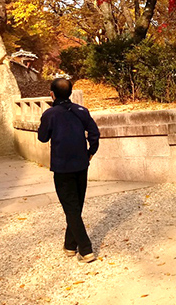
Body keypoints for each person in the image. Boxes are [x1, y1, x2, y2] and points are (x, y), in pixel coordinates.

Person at [38, 78, 100, 263]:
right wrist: (90, 152)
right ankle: (70, 245)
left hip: (62, 167)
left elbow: (42, 138)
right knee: (75, 206)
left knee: (71, 208)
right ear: (70, 93)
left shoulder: (50, 114)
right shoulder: (82, 111)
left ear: (52, 94)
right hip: (81, 165)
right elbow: (94, 134)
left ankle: (86, 249)